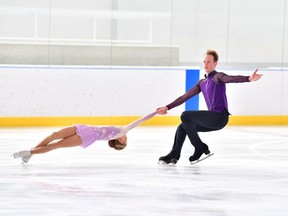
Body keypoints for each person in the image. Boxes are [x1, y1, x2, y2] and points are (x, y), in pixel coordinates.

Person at [156, 49, 263, 165]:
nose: (205, 64)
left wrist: (249, 78)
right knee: (182, 127)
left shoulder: (218, 77)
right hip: (211, 120)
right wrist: (167, 107)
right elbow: (185, 96)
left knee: (185, 115)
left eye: (209, 62)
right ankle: (174, 155)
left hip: (219, 117)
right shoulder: (202, 82)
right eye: (204, 61)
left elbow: (231, 79)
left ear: (215, 63)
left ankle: (200, 147)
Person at [13, 111, 157, 163]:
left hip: (87, 137)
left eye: (125, 141)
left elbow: (139, 121)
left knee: (55, 145)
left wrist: (155, 113)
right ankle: (31, 153)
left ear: (121, 140)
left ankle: (29, 152)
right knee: (54, 135)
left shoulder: (120, 132)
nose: (127, 138)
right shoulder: (118, 131)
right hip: (84, 128)